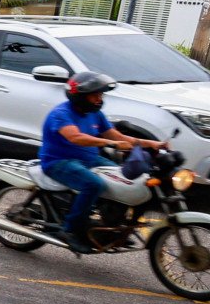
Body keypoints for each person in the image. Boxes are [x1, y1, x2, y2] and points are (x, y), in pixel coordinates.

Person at [38, 71, 166, 252]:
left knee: (125, 181)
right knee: (93, 184)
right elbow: (75, 137)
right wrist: (110, 143)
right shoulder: (61, 113)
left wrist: (153, 144)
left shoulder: (95, 114)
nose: (99, 99)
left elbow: (119, 136)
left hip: (89, 158)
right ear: (80, 96)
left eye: (101, 95)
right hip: (59, 161)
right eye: (95, 96)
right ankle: (70, 230)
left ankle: (111, 228)